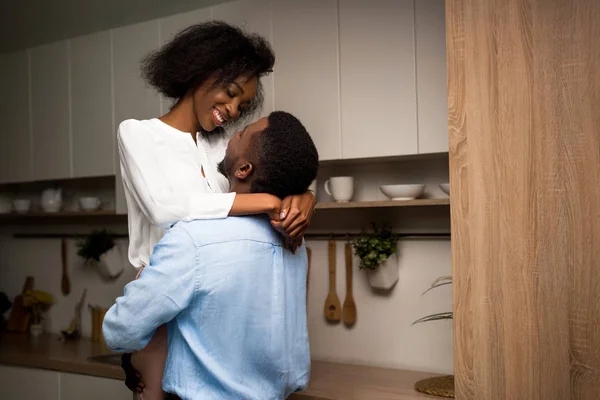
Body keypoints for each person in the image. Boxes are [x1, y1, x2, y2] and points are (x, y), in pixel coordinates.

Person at [118, 22, 317, 399]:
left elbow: (273, 171)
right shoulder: (138, 134)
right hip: (160, 310)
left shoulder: (226, 144)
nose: (231, 110)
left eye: (241, 106)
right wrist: (266, 202)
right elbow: (166, 208)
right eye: (229, 94)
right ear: (201, 71)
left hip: (213, 315)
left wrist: (304, 198)